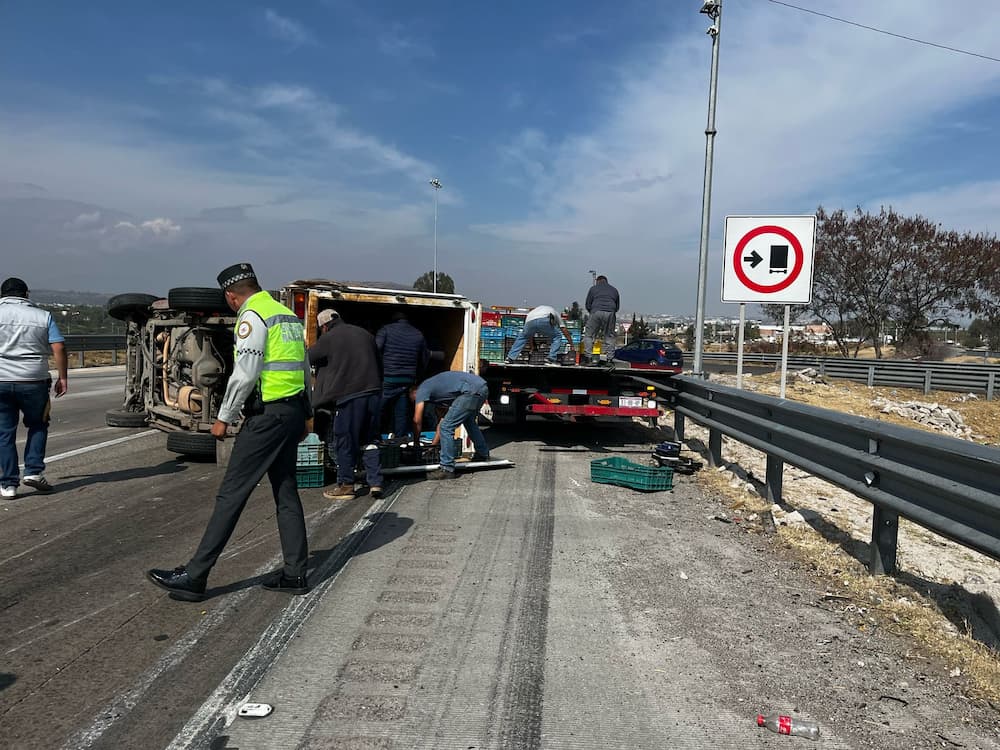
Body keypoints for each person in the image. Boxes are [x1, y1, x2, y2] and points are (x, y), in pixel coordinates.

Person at [148, 263, 312, 602]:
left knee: (231, 495)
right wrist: (306, 414)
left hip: (267, 416)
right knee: (286, 493)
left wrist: (224, 416)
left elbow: (245, 373)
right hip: (292, 411)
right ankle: (295, 573)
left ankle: (194, 576)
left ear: (231, 296)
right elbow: (304, 369)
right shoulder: (286, 316)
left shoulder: (252, 316)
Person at [0, 277, 68, 498]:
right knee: (38, 424)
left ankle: (8, 484)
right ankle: (33, 471)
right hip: (34, 381)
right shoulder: (43, 316)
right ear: (26, 294)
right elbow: (58, 347)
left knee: (4, 433)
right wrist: (63, 377)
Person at [309, 308, 384, 502]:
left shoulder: (329, 337)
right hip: (374, 394)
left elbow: (308, 358)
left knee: (345, 440)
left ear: (324, 326)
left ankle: (346, 485)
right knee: (371, 441)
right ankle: (375, 482)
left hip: (350, 397)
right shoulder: (365, 334)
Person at [410, 371, 489, 480]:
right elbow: (442, 421)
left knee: (447, 427)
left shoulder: (422, 389)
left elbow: (417, 420)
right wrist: (432, 447)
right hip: (481, 388)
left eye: (413, 400)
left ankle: (447, 468)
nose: (415, 402)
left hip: (470, 390)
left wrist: (416, 443)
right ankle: (482, 454)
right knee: (469, 422)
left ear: (413, 392)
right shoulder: (439, 394)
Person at [375, 310, 431, 437]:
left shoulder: (386, 330)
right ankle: (400, 439)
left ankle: (374, 438)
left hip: (388, 377)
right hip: (407, 379)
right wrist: (418, 376)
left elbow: (376, 349)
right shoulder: (418, 334)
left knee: (378, 409)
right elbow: (424, 358)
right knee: (401, 412)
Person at [583, 274, 620, 365]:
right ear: (606, 281)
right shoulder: (614, 290)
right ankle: (609, 360)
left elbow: (588, 304)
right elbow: (617, 307)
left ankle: (588, 359)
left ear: (597, 281)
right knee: (609, 336)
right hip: (610, 312)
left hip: (596, 311)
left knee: (589, 335)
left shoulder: (593, 289)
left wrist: (592, 312)